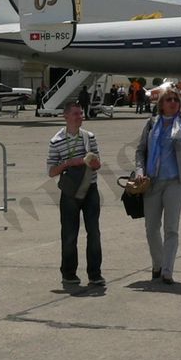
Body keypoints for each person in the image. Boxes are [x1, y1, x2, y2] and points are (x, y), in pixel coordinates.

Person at [135, 88, 181, 286]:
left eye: (176, 100)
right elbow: (140, 150)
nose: (173, 102)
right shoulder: (152, 123)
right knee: (151, 228)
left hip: (175, 182)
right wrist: (139, 170)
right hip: (152, 182)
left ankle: (167, 270)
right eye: (169, 99)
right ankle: (158, 263)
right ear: (161, 104)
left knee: (171, 228)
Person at [45, 103, 103, 288]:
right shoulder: (56, 141)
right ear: (66, 117)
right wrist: (70, 163)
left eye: (81, 113)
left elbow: (98, 163)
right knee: (70, 234)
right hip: (70, 193)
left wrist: (94, 163)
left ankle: (95, 274)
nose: (80, 116)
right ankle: (69, 273)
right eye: (76, 114)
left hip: (90, 188)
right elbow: (51, 171)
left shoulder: (89, 137)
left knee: (93, 232)